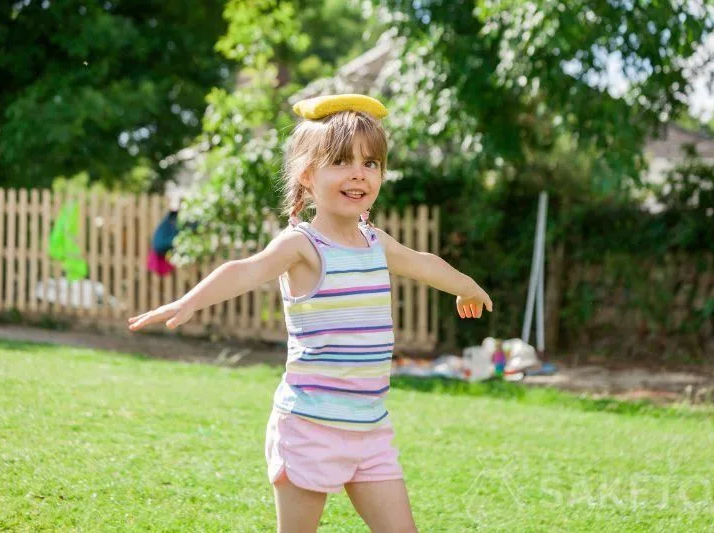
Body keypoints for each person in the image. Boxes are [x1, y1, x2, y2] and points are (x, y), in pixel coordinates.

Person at [128, 93, 493, 532]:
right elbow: (246, 270)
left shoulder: (376, 243)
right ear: (307, 174)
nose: (359, 172)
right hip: (308, 427)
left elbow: (422, 262)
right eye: (342, 161)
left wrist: (466, 285)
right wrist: (189, 301)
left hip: (370, 429)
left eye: (371, 163)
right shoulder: (301, 245)